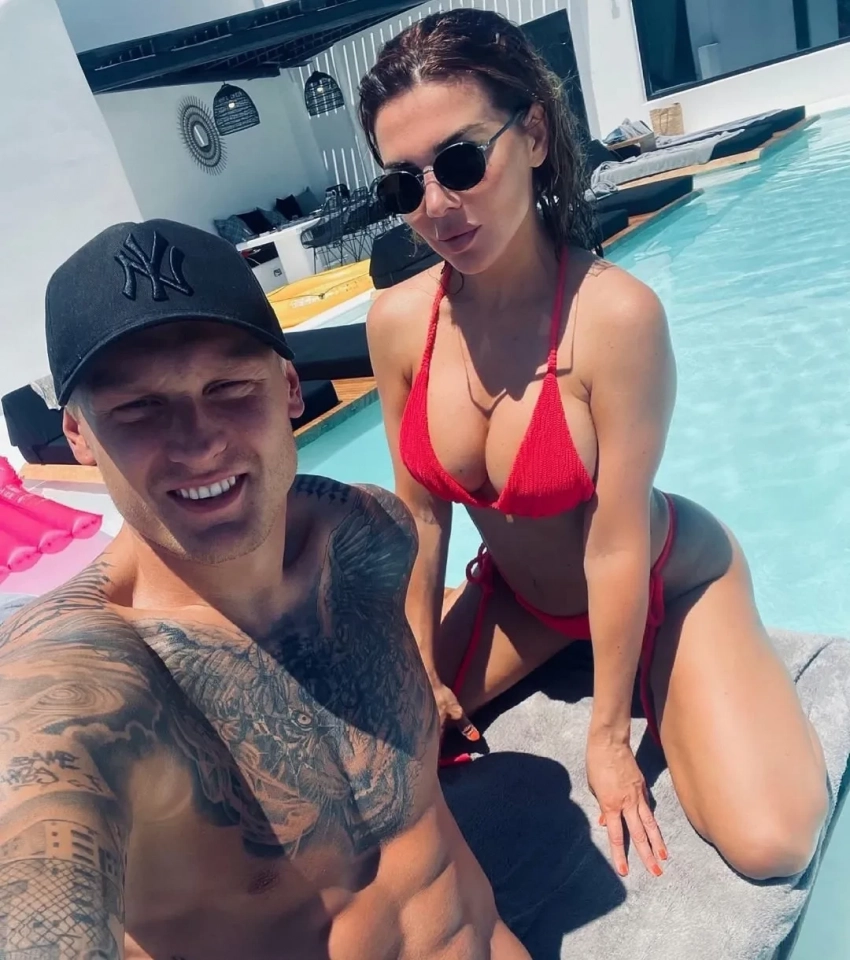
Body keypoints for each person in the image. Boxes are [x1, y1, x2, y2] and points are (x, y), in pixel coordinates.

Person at [361, 8, 827, 883]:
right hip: (524, 602)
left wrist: (608, 737)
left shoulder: (615, 318)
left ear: (534, 134)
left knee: (773, 841)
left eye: (460, 162)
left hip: (661, 578)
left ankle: (727, 659)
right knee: (369, 764)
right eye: (403, 186)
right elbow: (420, 519)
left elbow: (616, 545)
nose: (437, 206)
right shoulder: (397, 326)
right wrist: (416, 670)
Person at [0, 219, 529, 960]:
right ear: (79, 435)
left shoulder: (369, 534)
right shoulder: (76, 680)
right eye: (138, 408)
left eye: (228, 387)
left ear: (287, 387)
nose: (200, 442)